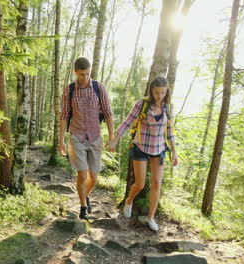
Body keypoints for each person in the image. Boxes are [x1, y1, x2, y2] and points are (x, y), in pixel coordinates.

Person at [106, 76, 178, 231]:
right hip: (141, 148)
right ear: (151, 91)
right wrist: (115, 140)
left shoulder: (168, 107)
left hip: (159, 150)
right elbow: (127, 123)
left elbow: (170, 131)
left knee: (157, 184)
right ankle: (129, 200)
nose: (160, 96)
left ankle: (150, 217)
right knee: (140, 183)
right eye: (157, 92)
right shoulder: (142, 104)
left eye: (163, 93)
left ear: (166, 92)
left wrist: (174, 152)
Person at [59, 57, 115, 220]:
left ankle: (85, 195)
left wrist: (111, 136)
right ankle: (83, 206)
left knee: (94, 177)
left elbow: (108, 113)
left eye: (88, 74)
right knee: (82, 176)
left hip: (95, 137)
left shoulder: (99, 88)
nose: (85, 78)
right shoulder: (69, 90)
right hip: (76, 137)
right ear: (75, 72)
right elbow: (64, 116)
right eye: (82, 74)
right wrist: (61, 140)